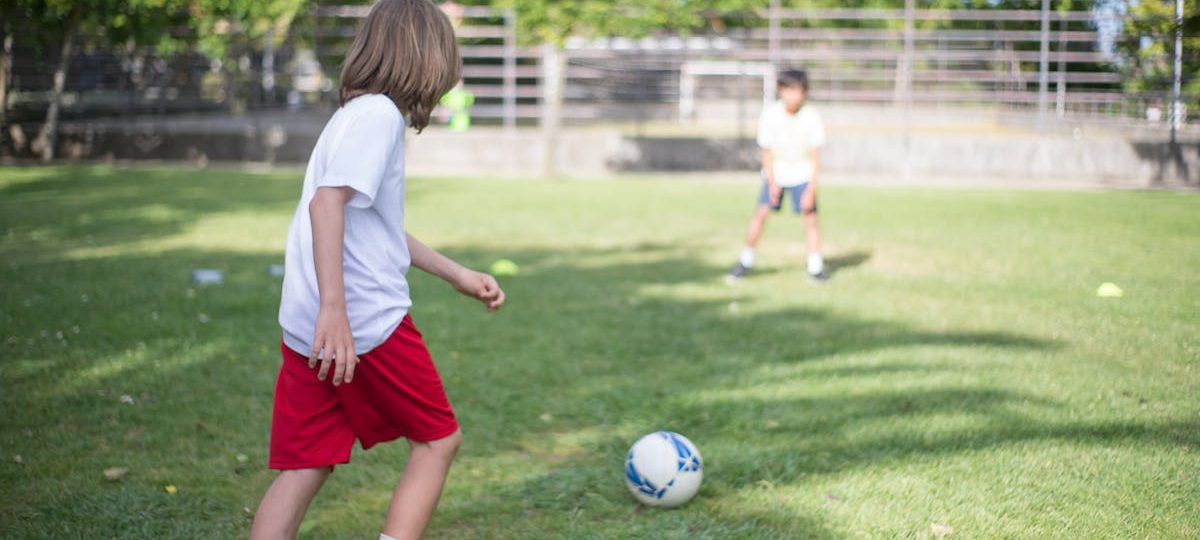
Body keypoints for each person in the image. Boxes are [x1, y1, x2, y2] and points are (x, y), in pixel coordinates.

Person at [249, 2, 505, 539]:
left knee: (306, 462)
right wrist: (335, 311)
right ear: (425, 57)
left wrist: (456, 274)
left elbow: (375, 228)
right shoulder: (379, 117)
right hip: (361, 323)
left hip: (309, 325)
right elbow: (326, 205)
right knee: (438, 441)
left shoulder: (356, 115)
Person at [727, 69, 829, 282]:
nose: (792, 95)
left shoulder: (811, 117)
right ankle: (745, 261)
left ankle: (815, 267)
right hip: (777, 174)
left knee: (811, 219)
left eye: (797, 90)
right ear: (780, 91)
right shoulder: (770, 115)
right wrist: (771, 182)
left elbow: (816, 156)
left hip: (803, 174)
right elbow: (767, 152)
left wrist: (812, 188)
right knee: (760, 215)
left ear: (805, 92)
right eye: (788, 90)